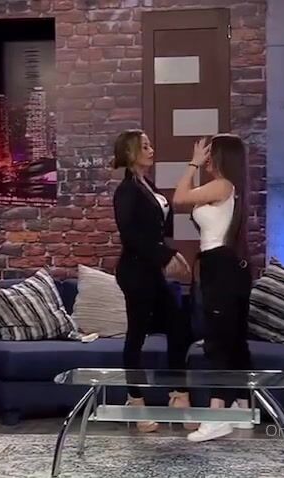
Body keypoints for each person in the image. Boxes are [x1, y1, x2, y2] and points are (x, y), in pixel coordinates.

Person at [172, 134, 254, 442]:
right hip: (222, 265)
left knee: (218, 341)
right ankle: (242, 407)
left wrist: (192, 164)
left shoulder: (222, 185)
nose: (206, 158)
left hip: (221, 267)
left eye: (210, 154)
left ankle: (218, 415)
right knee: (234, 340)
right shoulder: (225, 188)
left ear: (221, 157)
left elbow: (179, 198)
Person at [111, 129, 195, 432]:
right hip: (135, 272)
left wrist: (167, 253)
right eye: (144, 146)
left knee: (179, 327)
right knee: (137, 334)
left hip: (151, 270)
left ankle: (179, 396)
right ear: (130, 152)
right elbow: (131, 236)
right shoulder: (126, 190)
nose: (151, 149)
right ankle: (135, 400)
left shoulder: (147, 185)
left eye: (150, 144)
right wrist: (166, 255)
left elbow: (157, 229)